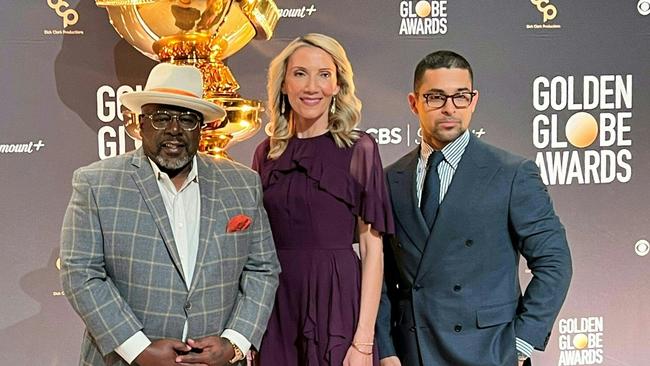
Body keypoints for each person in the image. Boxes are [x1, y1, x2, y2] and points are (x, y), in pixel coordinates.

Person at [60, 63, 280, 366]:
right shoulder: (97, 183)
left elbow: (262, 269)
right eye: (161, 117)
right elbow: (80, 272)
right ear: (141, 123)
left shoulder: (242, 183)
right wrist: (137, 348)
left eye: (187, 119)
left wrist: (235, 343)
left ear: (201, 128)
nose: (174, 129)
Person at [376, 51, 572, 366]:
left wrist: (519, 344)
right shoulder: (390, 179)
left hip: (489, 352)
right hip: (412, 352)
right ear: (414, 103)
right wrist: (385, 349)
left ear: (474, 101)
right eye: (436, 97)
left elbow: (555, 263)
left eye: (460, 97)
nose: (449, 108)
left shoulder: (511, 173)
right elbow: (379, 277)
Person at [251, 33, 394, 366]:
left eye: (323, 74)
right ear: (284, 84)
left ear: (337, 85)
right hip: (277, 302)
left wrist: (363, 342)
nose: (311, 86)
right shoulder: (267, 153)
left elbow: (372, 250)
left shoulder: (360, 149)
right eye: (300, 73)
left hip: (337, 300)